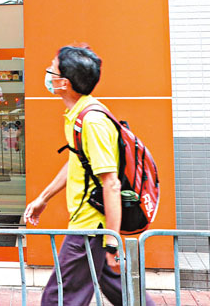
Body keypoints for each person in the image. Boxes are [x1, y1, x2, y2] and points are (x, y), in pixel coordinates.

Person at [24, 45, 155, 306]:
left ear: (64, 83)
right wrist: (43, 198)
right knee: (125, 295)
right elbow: (78, 162)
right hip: (93, 227)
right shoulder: (79, 114)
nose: (47, 73)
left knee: (58, 298)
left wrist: (112, 242)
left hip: (90, 229)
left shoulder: (92, 121)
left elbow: (111, 183)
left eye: (52, 69)